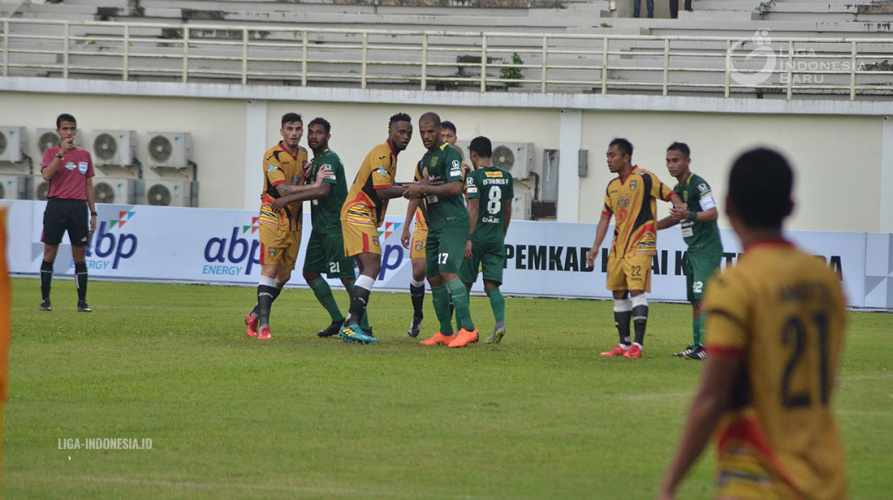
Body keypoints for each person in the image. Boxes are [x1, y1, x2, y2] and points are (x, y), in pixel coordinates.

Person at [657, 148, 847, 499]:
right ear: (791, 207)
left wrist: (669, 483)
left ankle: (697, 346)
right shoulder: (826, 284)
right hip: (827, 476)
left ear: (728, 207)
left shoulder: (737, 286)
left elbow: (712, 397)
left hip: (759, 477)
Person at [585, 138, 682, 359]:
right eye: (607, 156)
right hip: (618, 247)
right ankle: (624, 344)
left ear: (626, 157)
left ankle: (638, 345)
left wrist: (679, 207)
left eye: (612, 155)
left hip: (641, 243)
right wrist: (595, 247)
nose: (608, 160)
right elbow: (604, 218)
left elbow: (669, 194)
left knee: (636, 290)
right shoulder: (612, 186)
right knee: (618, 293)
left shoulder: (644, 178)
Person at [271, 117, 366, 339]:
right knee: (310, 272)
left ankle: (363, 325)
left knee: (347, 278)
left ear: (328, 137)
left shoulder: (329, 160)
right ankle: (337, 319)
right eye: (311, 132)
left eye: (319, 133)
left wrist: (287, 199)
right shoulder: (315, 162)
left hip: (335, 227)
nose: (314, 137)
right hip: (320, 228)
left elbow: (323, 191)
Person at [244, 113, 331, 340]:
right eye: (290, 128)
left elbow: (298, 183)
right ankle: (264, 326)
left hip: (295, 220)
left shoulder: (303, 154)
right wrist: (315, 185)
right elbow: (282, 191)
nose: (294, 133)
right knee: (270, 270)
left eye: (298, 129)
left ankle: (254, 314)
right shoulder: (272, 155)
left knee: (284, 276)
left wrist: (309, 176)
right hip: (273, 215)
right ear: (282, 132)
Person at [338, 113, 413, 344]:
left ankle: (352, 325)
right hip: (358, 212)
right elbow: (382, 191)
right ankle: (351, 324)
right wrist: (413, 190)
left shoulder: (390, 155)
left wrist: (417, 186)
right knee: (373, 265)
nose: (406, 137)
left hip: (361, 214)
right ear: (390, 132)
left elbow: (388, 185)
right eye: (401, 132)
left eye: (409, 133)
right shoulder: (383, 153)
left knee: (366, 269)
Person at [404, 112, 478, 348]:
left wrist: (423, 188)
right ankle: (445, 332)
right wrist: (420, 188)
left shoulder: (450, 153)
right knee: (433, 277)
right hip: (434, 225)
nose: (426, 136)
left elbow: (456, 187)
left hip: (452, 223)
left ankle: (468, 329)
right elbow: (421, 190)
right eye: (422, 132)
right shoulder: (425, 160)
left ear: (439, 130)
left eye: (430, 132)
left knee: (447, 272)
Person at [656, 142, 723, 360]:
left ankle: (706, 347)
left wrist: (689, 215)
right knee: (695, 300)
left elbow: (713, 213)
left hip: (707, 249)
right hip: (694, 250)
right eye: (668, 160)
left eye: (675, 160)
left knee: (703, 298)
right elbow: (675, 219)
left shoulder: (698, 185)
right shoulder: (678, 190)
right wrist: (650, 226)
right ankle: (697, 345)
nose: (670, 165)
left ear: (687, 161)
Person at [39, 113, 97, 313]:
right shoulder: (51, 153)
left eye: (72, 128)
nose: (69, 132)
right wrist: (61, 153)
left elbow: (89, 185)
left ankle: (82, 303)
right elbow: (47, 175)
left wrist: (93, 213)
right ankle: (45, 301)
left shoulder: (85, 155)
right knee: (49, 253)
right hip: (56, 206)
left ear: (76, 130)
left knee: (79, 256)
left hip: (78, 208)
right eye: (65, 128)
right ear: (58, 131)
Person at [459, 136, 513, 344]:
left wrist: (468, 238)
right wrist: (503, 233)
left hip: (477, 236)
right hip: (496, 237)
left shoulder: (473, 177)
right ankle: (499, 323)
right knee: (492, 286)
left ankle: (465, 330)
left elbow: (472, 208)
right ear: (491, 154)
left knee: (464, 285)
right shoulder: (506, 176)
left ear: (473, 155)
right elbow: (508, 210)